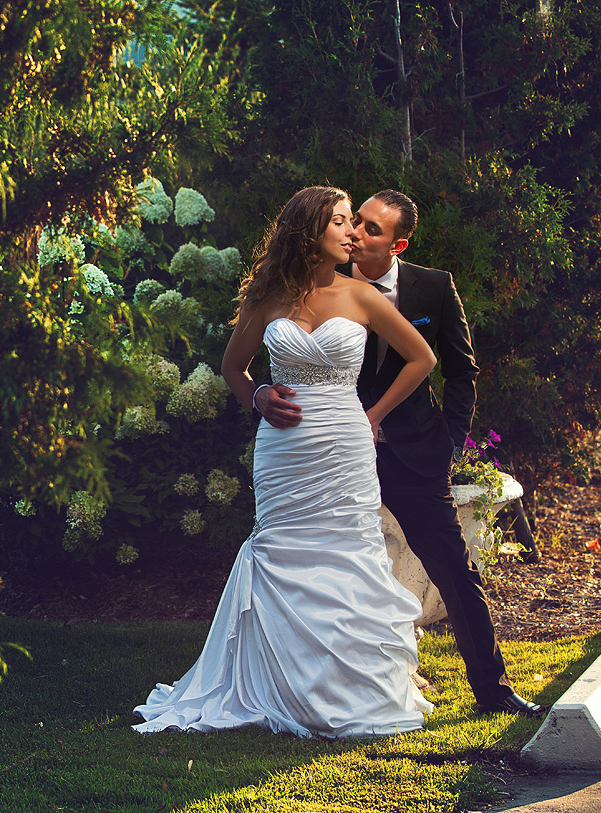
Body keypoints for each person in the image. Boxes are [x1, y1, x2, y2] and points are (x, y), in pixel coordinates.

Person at [133, 186, 437, 738]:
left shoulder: (364, 297)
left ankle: (350, 687)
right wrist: (257, 397)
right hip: (285, 450)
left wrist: (373, 415)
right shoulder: (268, 297)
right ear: (310, 230)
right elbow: (232, 368)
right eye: (343, 222)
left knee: (349, 554)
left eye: (355, 224)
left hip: (345, 442)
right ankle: (274, 684)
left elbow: (423, 358)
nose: (353, 233)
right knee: (282, 552)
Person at [255, 190, 544, 717]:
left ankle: (493, 689)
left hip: (412, 455)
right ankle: (334, 684)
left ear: (398, 243)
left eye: (371, 229)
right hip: (328, 458)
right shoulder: (313, 286)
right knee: (334, 568)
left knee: (455, 571)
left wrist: (450, 443)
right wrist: (261, 395)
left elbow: (458, 369)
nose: (357, 233)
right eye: (354, 222)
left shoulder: (431, 288)